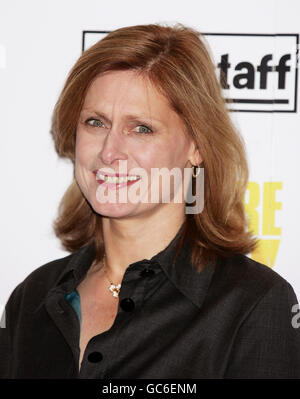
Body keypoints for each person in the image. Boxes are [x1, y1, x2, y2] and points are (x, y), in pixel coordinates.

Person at [0, 22, 299, 379]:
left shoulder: (253, 304)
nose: (109, 152)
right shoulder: (32, 297)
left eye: (141, 128)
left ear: (196, 146)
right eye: (95, 122)